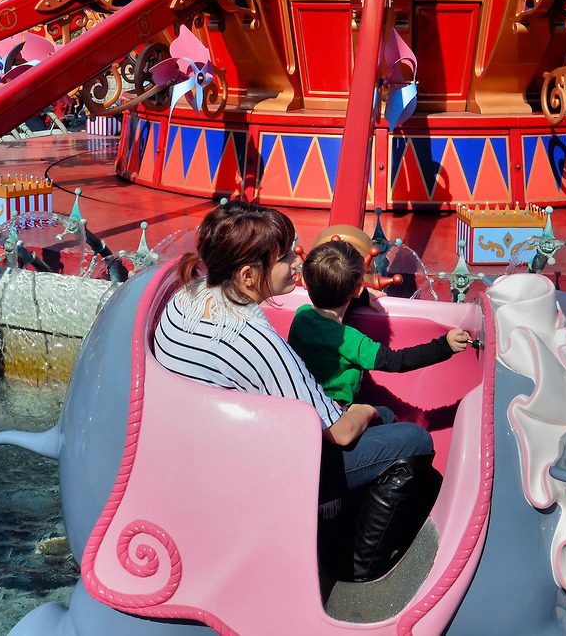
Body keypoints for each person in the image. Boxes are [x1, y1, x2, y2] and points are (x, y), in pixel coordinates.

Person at [152, 202, 435, 582]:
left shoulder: (187, 296)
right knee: (413, 439)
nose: (295, 264)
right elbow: (340, 432)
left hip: (199, 450)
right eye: (285, 257)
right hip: (250, 476)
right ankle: (357, 569)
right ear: (250, 275)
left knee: (383, 419)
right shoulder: (253, 339)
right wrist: (365, 410)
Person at [289, 240, 471, 406]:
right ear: (358, 289)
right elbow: (397, 361)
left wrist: (361, 297)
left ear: (304, 282)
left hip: (304, 405)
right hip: (336, 415)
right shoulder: (351, 341)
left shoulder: (301, 316)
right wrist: (444, 345)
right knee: (388, 417)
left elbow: (328, 307)